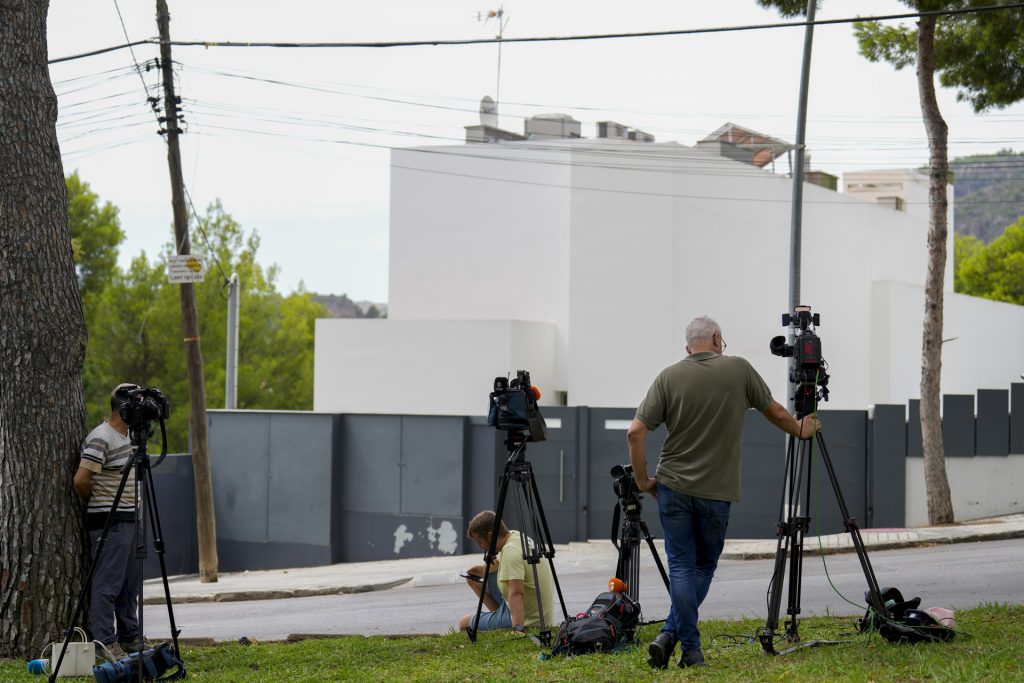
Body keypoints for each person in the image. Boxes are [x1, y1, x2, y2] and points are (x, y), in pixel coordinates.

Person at [627, 316, 819, 669]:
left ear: (689, 347)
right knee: (703, 567)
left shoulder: (668, 376)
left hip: (672, 485)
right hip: (716, 491)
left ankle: (680, 641)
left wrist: (643, 482)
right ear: (716, 339)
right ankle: (682, 643)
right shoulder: (739, 370)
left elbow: (635, 433)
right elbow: (775, 412)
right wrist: (800, 429)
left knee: (682, 567)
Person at [73, 383, 144, 659]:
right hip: (110, 521)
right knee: (108, 584)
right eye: (136, 406)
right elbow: (81, 480)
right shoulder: (102, 437)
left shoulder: (131, 438)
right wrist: (99, 503)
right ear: (123, 407)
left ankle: (130, 637)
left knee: (130, 585)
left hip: (131, 518)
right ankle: (105, 642)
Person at [457, 510, 557, 635]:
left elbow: (516, 594)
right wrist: (481, 570)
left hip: (528, 619)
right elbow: (497, 564)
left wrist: (518, 629)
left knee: (464, 623)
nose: (480, 547)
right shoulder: (514, 536)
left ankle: (504, 622)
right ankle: (498, 616)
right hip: (537, 608)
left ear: (490, 536)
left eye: (480, 542)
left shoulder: (510, 553)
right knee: (480, 579)